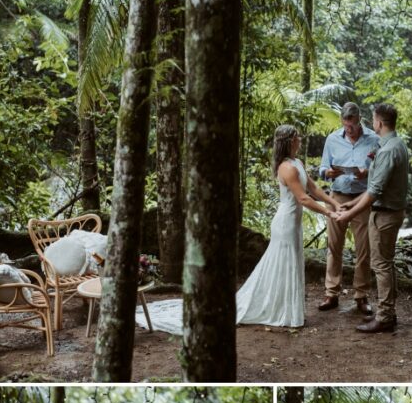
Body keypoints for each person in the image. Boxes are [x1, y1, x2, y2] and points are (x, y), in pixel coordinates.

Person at [136, 125, 337, 334]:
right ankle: (281, 310)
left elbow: (313, 189)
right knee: (282, 262)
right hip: (285, 222)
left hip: (293, 222)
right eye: (297, 137)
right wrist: (329, 213)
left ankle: (287, 308)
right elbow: (303, 198)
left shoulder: (298, 163)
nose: (300, 139)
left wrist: (334, 203)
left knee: (290, 262)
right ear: (289, 141)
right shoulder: (287, 167)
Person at [331, 102, 410, 333]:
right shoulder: (395, 144)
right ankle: (387, 312)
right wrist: (350, 206)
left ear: (379, 122)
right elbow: (373, 189)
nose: (371, 123)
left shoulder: (387, 150)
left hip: (385, 216)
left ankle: (385, 316)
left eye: (373, 119)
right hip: (388, 213)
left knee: (381, 265)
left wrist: (348, 214)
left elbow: (374, 192)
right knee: (386, 262)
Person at [317, 102, 380, 315]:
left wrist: (367, 172)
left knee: (363, 248)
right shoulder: (333, 139)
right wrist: (328, 173)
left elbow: (381, 169)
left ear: (359, 120)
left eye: (351, 125)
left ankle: (361, 295)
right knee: (334, 246)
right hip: (338, 197)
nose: (349, 129)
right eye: (345, 125)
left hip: (362, 198)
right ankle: (331, 293)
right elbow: (323, 168)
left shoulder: (374, 139)